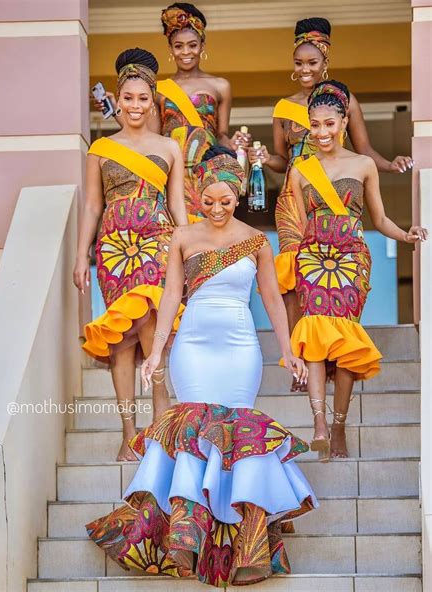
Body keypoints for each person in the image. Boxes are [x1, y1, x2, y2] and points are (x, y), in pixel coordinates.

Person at [85, 146, 318, 587]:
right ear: (197, 197)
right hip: (192, 345)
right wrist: (155, 353)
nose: (216, 209)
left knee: (239, 433)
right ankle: (186, 538)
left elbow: (271, 298)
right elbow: (171, 295)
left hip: (239, 347)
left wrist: (288, 349)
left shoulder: (255, 241)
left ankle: (246, 546)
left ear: (238, 196)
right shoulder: (182, 237)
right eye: (207, 201)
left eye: (225, 201)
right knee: (191, 430)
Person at [248, 17, 414, 391]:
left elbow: (363, 148)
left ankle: (334, 356)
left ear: (326, 61)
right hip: (296, 198)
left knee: (330, 278)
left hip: (336, 199)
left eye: (312, 62)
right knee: (294, 282)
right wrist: (260, 156)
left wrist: (391, 164)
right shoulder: (283, 107)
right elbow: (279, 160)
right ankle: (301, 363)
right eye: (299, 63)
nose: (305, 70)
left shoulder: (343, 100)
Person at [289, 80, 427, 460]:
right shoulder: (301, 171)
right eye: (315, 125)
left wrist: (406, 233)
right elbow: (301, 227)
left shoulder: (364, 164)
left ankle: (338, 426)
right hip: (313, 259)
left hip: (350, 258)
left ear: (344, 121)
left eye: (329, 124)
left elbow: (379, 218)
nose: (321, 132)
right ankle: (318, 423)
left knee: (346, 341)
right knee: (315, 335)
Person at [73, 48, 188, 462]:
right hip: (114, 250)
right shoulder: (101, 149)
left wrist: (188, 251)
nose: (135, 106)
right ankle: (128, 434)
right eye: (128, 98)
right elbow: (91, 206)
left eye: (143, 98)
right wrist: (80, 254)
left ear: (153, 100)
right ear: (117, 100)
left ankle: (160, 427)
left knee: (153, 326)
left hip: (157, 242)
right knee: (120, 342)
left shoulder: (169, 148)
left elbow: (178, 207)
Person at [95, 3, 249, 222]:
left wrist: (232, 144)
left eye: (192, 45)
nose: (186, 52)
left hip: (206, 169)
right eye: (178, 46)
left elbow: (221, 133)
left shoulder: (220, 86)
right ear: (171, 49)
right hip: (171, 170)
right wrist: (117, 110)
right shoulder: (159, 89)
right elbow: (151, 132)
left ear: (202, 45)